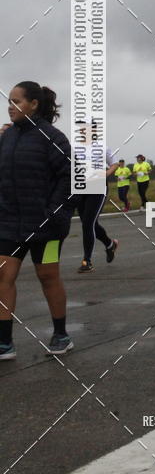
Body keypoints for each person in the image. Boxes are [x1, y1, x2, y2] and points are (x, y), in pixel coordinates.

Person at [0, 82, 74, 359]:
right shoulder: (6, 138)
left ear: (34, 104)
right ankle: (4, 342)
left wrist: (55, 212)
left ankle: (61, 334)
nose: (11, 106)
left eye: (17, 101)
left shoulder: (54, 137)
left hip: (46, 226)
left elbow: (71, 178)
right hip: (9, 222)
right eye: (9, 101)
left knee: (48, 276)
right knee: (3, 276)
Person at [76, 141, 120, 273]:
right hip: (80, 187)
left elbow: (115, 163)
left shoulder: (102, 147)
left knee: (88, 224)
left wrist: (106, 173)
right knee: (89, 223)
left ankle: (87, 261)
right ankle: (110, 244)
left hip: (98, 187)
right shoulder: (74, 147)